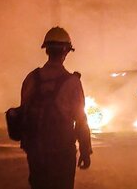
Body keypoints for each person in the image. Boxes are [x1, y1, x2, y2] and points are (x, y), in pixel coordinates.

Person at [20, 27, 92, 189]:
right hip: (62, 150)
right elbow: (81, 120)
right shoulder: (72, 82)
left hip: (36, 151)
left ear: (46, 50)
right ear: (66, 51)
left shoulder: (31, 78)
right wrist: (85, 150)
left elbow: (24, 112)